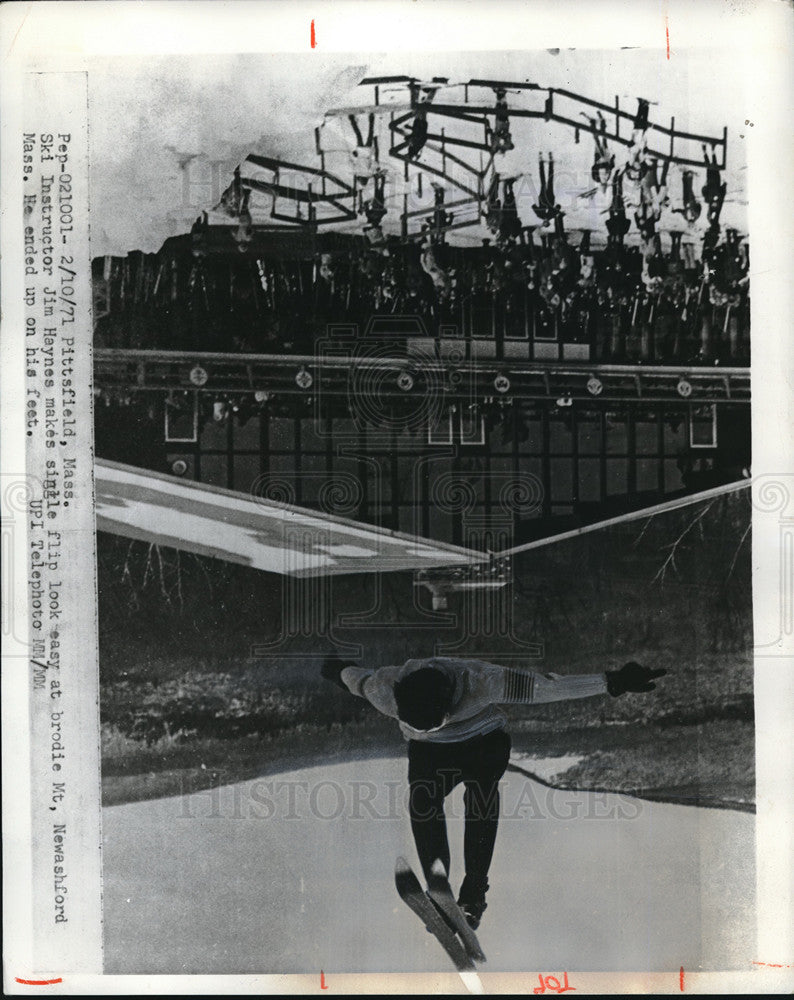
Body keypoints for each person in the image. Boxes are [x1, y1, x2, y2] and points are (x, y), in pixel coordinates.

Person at [321, 654, 666, 929]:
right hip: (431, 752)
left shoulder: (482, 680)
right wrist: (334, 668)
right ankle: (438, 888)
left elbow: (545, 687)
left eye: (437, 720)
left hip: (483, 741)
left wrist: (613, 681)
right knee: (423, 801)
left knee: (481, 798)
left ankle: (473, 891)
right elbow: (356, 679)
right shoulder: (383, 689)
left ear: (448, 703)